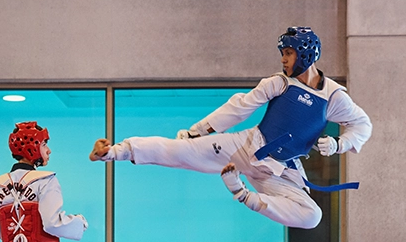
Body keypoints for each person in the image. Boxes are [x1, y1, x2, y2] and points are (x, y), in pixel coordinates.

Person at [90, 26, 372, 229]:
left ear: (306, 54)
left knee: (312, 217)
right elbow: (240, 107)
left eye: (288, 53)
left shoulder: (333, 96)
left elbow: (362, 125)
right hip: (246, 147)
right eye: (282, 53)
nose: (283, 59)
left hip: (280, 171)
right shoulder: (279, 82)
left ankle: (243, 195)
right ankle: (115, 151)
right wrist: (197, 131)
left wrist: (340, 144)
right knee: (179, 151)